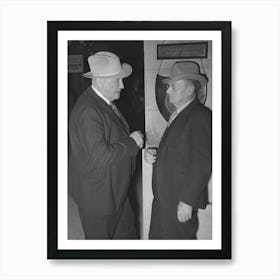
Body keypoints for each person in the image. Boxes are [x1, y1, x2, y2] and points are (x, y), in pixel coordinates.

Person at [69, 51, 144, 239]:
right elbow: (100, 156)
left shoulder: (103, 102)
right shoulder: (88, 110)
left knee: (127, 237)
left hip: (115, 191)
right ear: (101, 80)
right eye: (117, 81)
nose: (122, 85)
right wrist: (132, 142)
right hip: (99, 200)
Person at [145, 61, 212, 239]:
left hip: (179, 200)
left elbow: (202, 163)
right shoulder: (179, 113)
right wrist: (155, 153)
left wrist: (188, 201)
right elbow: (179, 151)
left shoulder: (200, 116)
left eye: (172, 87)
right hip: (164, 198)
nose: (167, 91)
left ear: (189, 89)